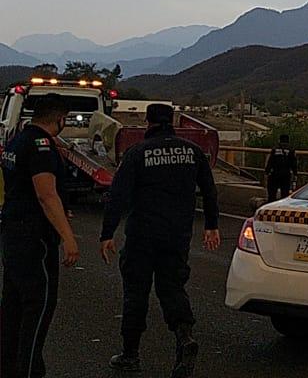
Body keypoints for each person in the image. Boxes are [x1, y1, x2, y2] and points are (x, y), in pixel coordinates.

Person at [99, 103, 221, 378]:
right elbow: (210, 191)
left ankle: (130, 355)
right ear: (172, 121)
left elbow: (118, 196)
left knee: (136, 292)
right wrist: (211, 225)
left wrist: (107, 233)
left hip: (143, 235)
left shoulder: (137, 153)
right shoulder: (192, 152)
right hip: (177, 235)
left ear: (148, 122)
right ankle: (184, 337)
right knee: (172, 288)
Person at [1, 94, 79, 378]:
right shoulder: (41, 146)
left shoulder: (16, 140)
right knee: (38, 306)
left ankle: (9, 367)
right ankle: (30, 370)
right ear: (59, 119)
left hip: (12, 234)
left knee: (12, 309)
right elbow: (46, 194)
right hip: (34, 239)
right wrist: (68, 237)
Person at [264, 134, 297, 202]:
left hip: (275, 173)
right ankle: (282, 206)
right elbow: (294, 163)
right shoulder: (291, 149)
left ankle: (271, 205)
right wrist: (295, 174)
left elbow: (270, 161)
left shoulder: (275, 149)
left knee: (272, 193)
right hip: (286, 174)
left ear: (279, 140)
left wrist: (267, 172)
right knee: (285, 193)